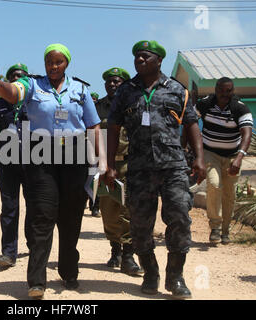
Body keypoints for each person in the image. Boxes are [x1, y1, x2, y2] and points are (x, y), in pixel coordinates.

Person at [0, 43, 101, 299]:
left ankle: (69, 271)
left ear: (66, 63)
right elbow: (14, 93)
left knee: (71, 219)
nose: (53, 66)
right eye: (49, 62)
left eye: (58, 62)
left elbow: (93, 126)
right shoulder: (34, 85)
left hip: (75, 156)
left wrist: (97, 164)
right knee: (41, 217)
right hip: (42, 155)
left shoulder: (80, 89)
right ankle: (36, 281)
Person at [104, 40, 206, 299]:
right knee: (139, 225)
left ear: (159, 60)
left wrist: (199, 159)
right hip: (139, 168)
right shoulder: (126, 91)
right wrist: (110, 165)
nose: (139, 60)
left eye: (145, 56)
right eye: (137, 56)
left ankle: (176, 277)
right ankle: (150, 272)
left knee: (180, 219)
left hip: (173, 166)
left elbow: (192, 123)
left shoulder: (176, 89)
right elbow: (114, 128)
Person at [96, 67, 143, 276]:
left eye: (117, 81)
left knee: (128, 211)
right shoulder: (98, 108)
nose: (113, 85)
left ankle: (128, 255)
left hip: (129, 164)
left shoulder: (134, 104)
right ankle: (114, 249)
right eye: (110, 82)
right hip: (105, 166)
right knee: (108, 211)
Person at [196, 77, 253, 245]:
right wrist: (192, 151)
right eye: (221, 90)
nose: (224, 94)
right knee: (214, 185)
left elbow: (247, 134)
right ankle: (215, 227)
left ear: (232, 91)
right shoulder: (205, 103)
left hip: (233, 155)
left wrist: (239, 158)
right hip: (210, 153)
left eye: (228, 91)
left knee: (229, 194)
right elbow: (190, 122)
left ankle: (226, 230)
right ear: (216, 89)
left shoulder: (240, 108)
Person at [0, 63, 29, 268]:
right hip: (7, 163)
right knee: (9, 208)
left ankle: (33, 246)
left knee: (34, 208)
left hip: (34, 163)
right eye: (12, 76)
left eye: (20, 76)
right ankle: (8, 253)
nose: (16, 79)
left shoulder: (35, 102)